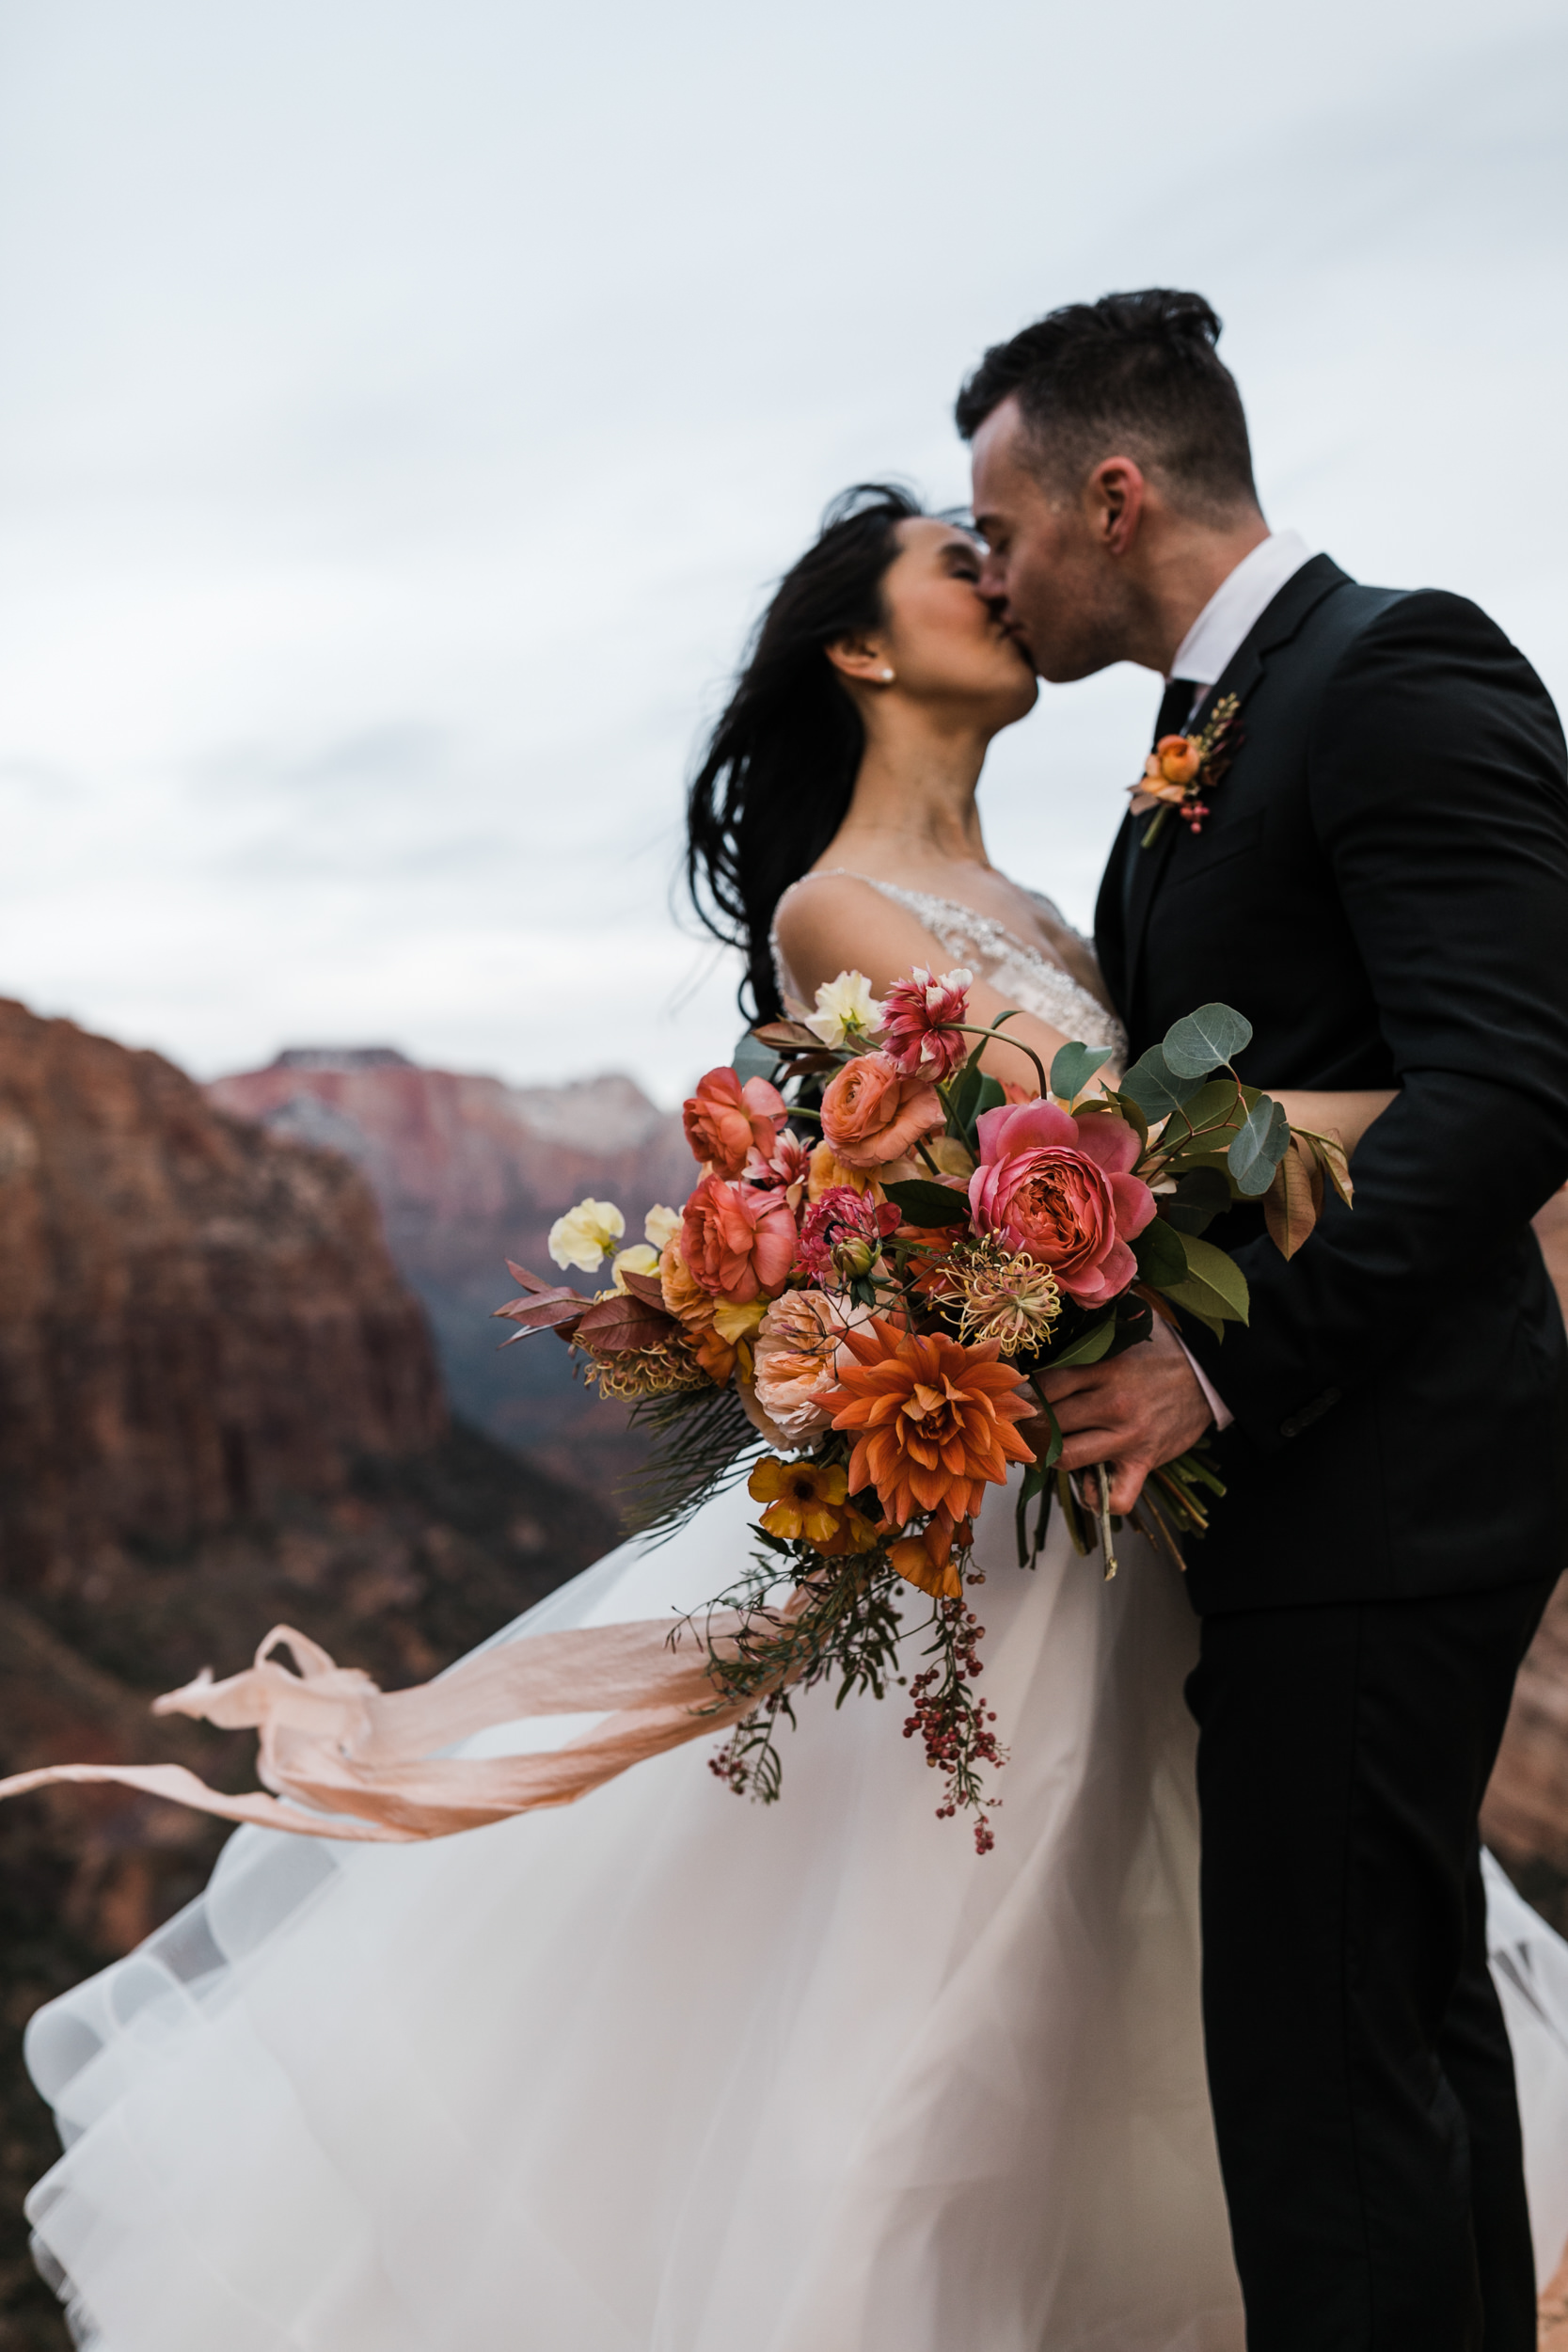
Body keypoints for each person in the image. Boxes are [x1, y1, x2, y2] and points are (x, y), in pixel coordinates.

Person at [11, 470, 1565, 2349]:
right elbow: (1121, 1142)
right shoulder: (842, 903)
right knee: (933, 2032)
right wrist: (1426, 1104)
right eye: (950, 562)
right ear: (861, 645)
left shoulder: (1049, 892)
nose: (994, 579)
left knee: (1197, 2002)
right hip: (984, 1548)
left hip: (1102, 1484)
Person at [957, 287, 1568, 2352]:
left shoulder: (1398, 667)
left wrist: (1222, 1362)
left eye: (1009, 525)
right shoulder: (1202, 733)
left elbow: (1512, 1084)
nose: (996, 571)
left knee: (1321, 2078)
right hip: (1329, 1503)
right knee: (1390, 2035)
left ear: (1115, 495)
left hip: (1393, 1478)